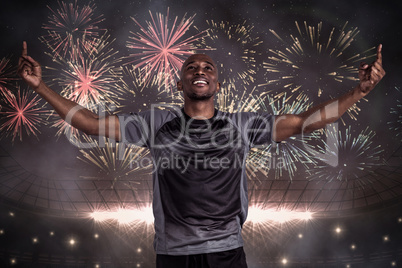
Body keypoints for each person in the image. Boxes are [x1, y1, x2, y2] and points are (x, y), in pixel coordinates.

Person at [18, 41, 385, 267]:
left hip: (227, 251)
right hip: (173, 253)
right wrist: (40, 86)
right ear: (180, 82)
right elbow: (88, 123)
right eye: (191, 66)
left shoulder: (241, 126)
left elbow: (305, 121)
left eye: (208, 67)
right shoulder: (154, 123)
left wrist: (360, 91)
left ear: (216, 83)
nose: (200, 70)